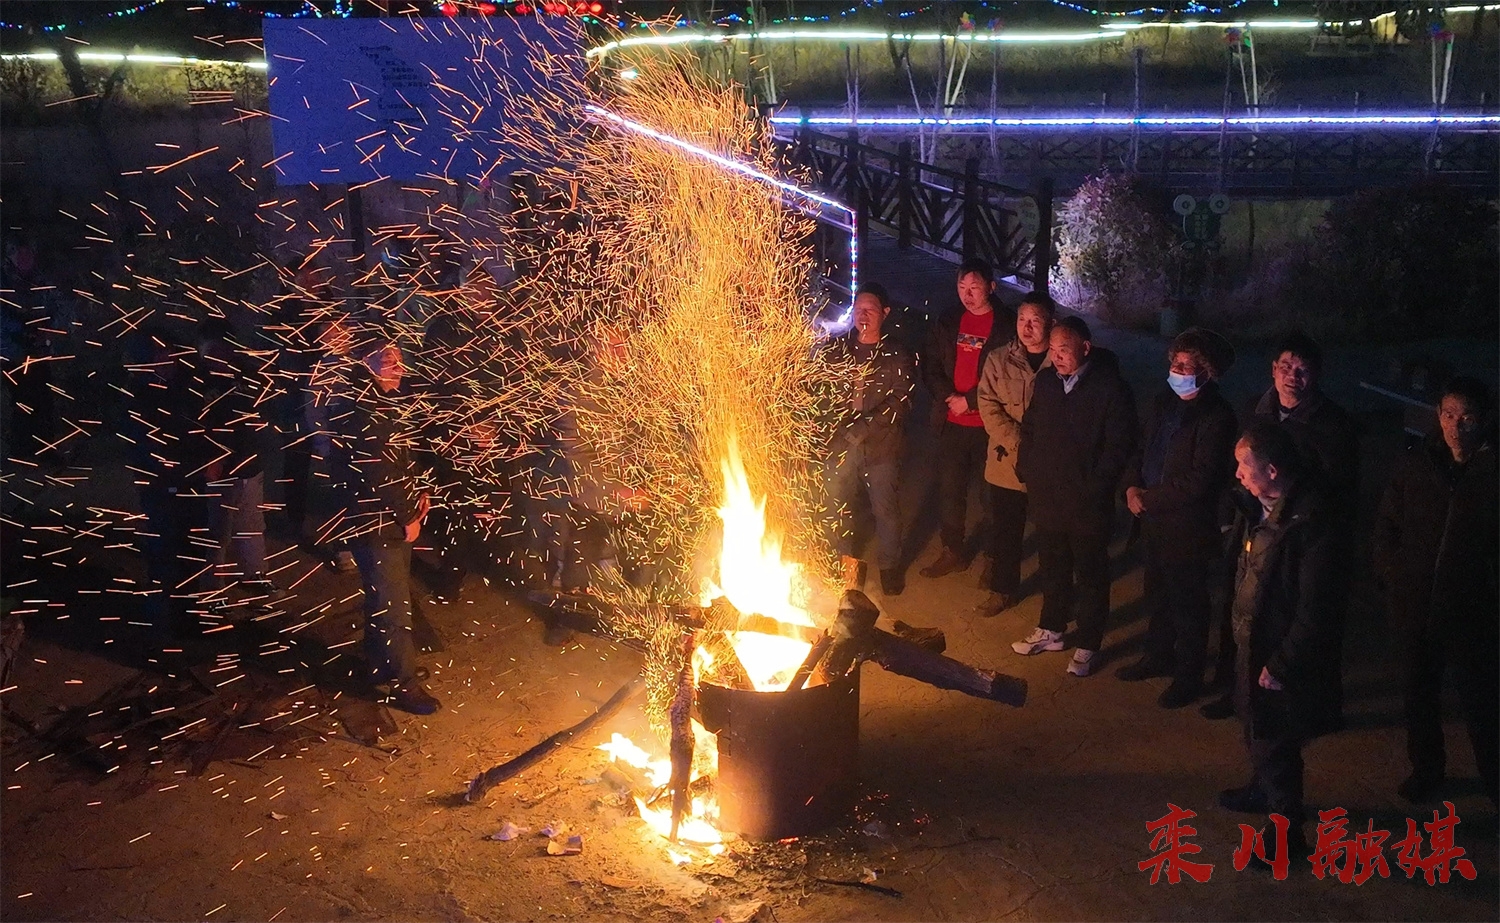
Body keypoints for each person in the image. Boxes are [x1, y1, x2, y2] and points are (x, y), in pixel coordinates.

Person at [1202, 331, 1357, 720]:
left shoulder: (1334, 425)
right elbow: (1238, 464)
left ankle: (1316, 705)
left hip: (1299, 532)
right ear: (1273, 369)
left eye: (1302, 370)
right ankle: (1236, 690)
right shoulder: (1256, 408)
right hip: (1253, 524)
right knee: (1240, 602)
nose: (1292, 376)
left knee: (1297, 615)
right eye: (1286, 366)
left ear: (1315, 376)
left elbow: (1341, 488)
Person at [1218, 422, 1341, 868]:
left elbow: (1316, 606)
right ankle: (1260, 789)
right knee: (1255, 727)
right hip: (1253, 641)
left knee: (1277, 743)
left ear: (1271, 469)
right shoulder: (1261, 507)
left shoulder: (1309, 521)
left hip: (1276, 653)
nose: (1237, 475)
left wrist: (1283, 662)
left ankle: (1285, 838)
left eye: (1243, 466)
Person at [1372, 377, 1497, 806]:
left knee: (1483, 704)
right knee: (1419, 696)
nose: (1455, 426)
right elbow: (1387, 525)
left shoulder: (1491, 471)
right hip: (1416, 604)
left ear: (1483, 420)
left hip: (1473, 610)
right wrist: (1397, 576)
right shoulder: (1417, 464)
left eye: (1466, 417)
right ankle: (1427, 770)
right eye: (1447, 415)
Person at [1116, 329, 1239, 708]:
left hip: (1187, 526)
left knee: (1188, 603)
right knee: (1157, 593)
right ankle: (1158, 655)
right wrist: (1132, 486)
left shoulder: (1217, 416)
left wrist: (1150, 499)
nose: (1179, 370)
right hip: (1152, 519)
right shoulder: (1163, 402)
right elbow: (1142, 447)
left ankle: (1188, 676)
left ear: (1209, 371)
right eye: (1176, 363)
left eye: (1188, 365)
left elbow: (1200, 479)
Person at [1011, 317, 1137, 677]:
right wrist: (1028, 469)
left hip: (1087, 504)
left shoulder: (1110, 389)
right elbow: (1031, 426)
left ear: (1085, 347)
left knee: (1091, 573)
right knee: (1053, 566)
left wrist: (1095, 487)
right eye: (1052, 350)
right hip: (1048, 496)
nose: (1057, 357)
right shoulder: (1048, 382)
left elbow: (1119, 445)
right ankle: (1052, 628)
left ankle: (1089, 642)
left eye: (1064, 350)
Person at [329, 339, 440, 715]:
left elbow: (401, 459)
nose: (397, 365)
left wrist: (419, 491)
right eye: (387, 359)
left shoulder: (384, 401)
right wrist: (408, 513)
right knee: (393, 605)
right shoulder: (364, 408)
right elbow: (378, 470)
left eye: (399, 358)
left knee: (385, 599)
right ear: (366, 364)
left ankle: (383, 668)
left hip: (383, 516)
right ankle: (402, 684)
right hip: (375, 521)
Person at [919, 258, 1013, 578]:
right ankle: (953, 551)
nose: (967, 294)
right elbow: (930, 365)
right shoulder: (948, 320)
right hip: (952, 422)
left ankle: (993, 555)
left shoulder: (1005, 325)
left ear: (991, 286)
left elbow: (1007, 377)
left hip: (990, 425)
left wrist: (971, 400)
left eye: (974, 287)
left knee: (990, 496)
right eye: (961, 287)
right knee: (951, 491)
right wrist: (950, 398)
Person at [825, 283, 915, 596]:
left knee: (885, 509)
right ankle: (843, 565)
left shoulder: (897, 354)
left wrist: (865, 426)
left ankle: (889, 567)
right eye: (858, 308)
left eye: (871, 309)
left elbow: (901, 400)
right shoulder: (838, 349)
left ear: (885, 313)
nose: (863, 315)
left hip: (881, 446)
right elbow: (823, 391)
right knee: (836, 504)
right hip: (841, 445)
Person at [974, 291, 1054, 617]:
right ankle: (1003, 590)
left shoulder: (1061, 360)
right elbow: (988, 405)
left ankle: (1056, 596)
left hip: (1049, 466)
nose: (1027, 327)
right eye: (1022, 319)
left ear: (1051, 323)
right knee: (1005, 530)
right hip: (1006, 462)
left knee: (1052, 535)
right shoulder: (999, 359)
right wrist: (1021, 440)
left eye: (1035, 320)